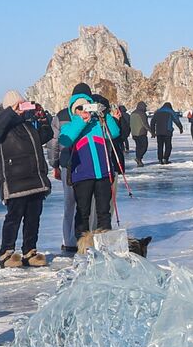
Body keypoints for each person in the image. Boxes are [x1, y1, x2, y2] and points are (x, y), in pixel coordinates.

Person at [0, 90, 53, 268]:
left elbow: (45, 137)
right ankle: (6, 252)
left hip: (35, 179)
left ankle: (29, 250)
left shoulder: (28, 124)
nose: (23, 109)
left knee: (33, 217)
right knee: (14, 217)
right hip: (15, 180)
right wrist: (11, 112)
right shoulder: (1, 124)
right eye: (19, 105)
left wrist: (43, 119)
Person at [58, 91, 122, 250]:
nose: (83, 110)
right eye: (79, 107)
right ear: (73, 110)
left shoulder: (98, 124)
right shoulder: (71, 126)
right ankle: (82, 248)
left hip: (103, 174)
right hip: (82, 175)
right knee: (82, 213)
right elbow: (65, 139)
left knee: (104, 212)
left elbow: (114, 132)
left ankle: (106, 247)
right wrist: (81, 121)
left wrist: (104, 114)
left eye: (86, 106)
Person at [54, 82, 92, 254]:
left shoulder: (61, 114)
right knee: (79, 203)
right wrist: (56, 163)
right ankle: (76, 239)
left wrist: (54, 163)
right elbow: (55, 142)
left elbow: (52, 144)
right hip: (73, 162)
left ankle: (70, 239)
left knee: (71, 203)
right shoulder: (65, 115)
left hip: (68, 163)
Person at [128, 101, 150, 167]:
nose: (146, 108)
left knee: (138, 147)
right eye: (145, 106)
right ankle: (139, 158)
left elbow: (130, 123)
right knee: (144, 146)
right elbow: (145, 124)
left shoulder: (132, 113)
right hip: (141, 133)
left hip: (134, 133)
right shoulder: (142, 113)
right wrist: (152, 132)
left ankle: (139, 160)